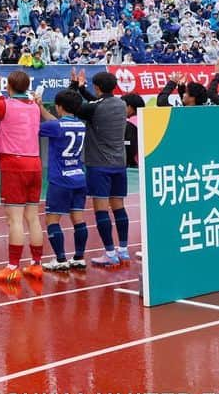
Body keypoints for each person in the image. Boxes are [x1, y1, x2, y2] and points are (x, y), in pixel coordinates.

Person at [0, 69, 44, 282]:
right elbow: (7, 104)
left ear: (9, 86)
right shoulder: (33, 105)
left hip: (14, 164)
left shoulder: (4, 105)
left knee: (14, 219)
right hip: (34, 162)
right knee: (32, 218)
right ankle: (36, 264)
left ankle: (12, 266)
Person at [69, 69, 129, 267]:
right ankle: (123, 249)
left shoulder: (94, 108)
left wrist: (74, 87)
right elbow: (95, 102)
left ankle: (109, 252)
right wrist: (83, 88)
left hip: (99, 165)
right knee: (119, 207)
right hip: (119, 164)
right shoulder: (121, 104)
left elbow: (73, 106)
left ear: (97, 87)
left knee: (101, 210)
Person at [34, 89, 89, 271]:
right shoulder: (80, 125)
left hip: (60, 180)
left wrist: (34, 107)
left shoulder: (55, 127)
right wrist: (41, 106)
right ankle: (79, 257)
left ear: (59, 107)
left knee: (52, 220)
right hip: (78, 178)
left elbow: (38, 127)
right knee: (78, 219)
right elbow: (56, 123)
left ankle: (60, 259)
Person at [121, 93, 144, 168]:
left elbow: (130, 148)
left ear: (130, 107)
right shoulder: (147, 120)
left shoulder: (130, 124)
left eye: (122, 107)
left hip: (135, 166)